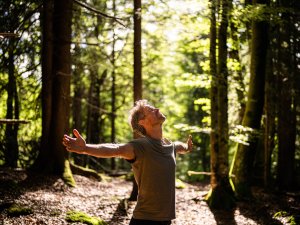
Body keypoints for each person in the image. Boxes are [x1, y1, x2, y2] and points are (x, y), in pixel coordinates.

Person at [62, 99, 193, 225]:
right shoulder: (140, 146)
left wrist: (187, 148)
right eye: (151, 110)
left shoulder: (170, 146)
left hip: (166, 220)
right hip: (145, 221)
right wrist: (85, 148)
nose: (157, 109)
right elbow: (115, 149)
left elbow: (180, 146)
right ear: (142, 122)